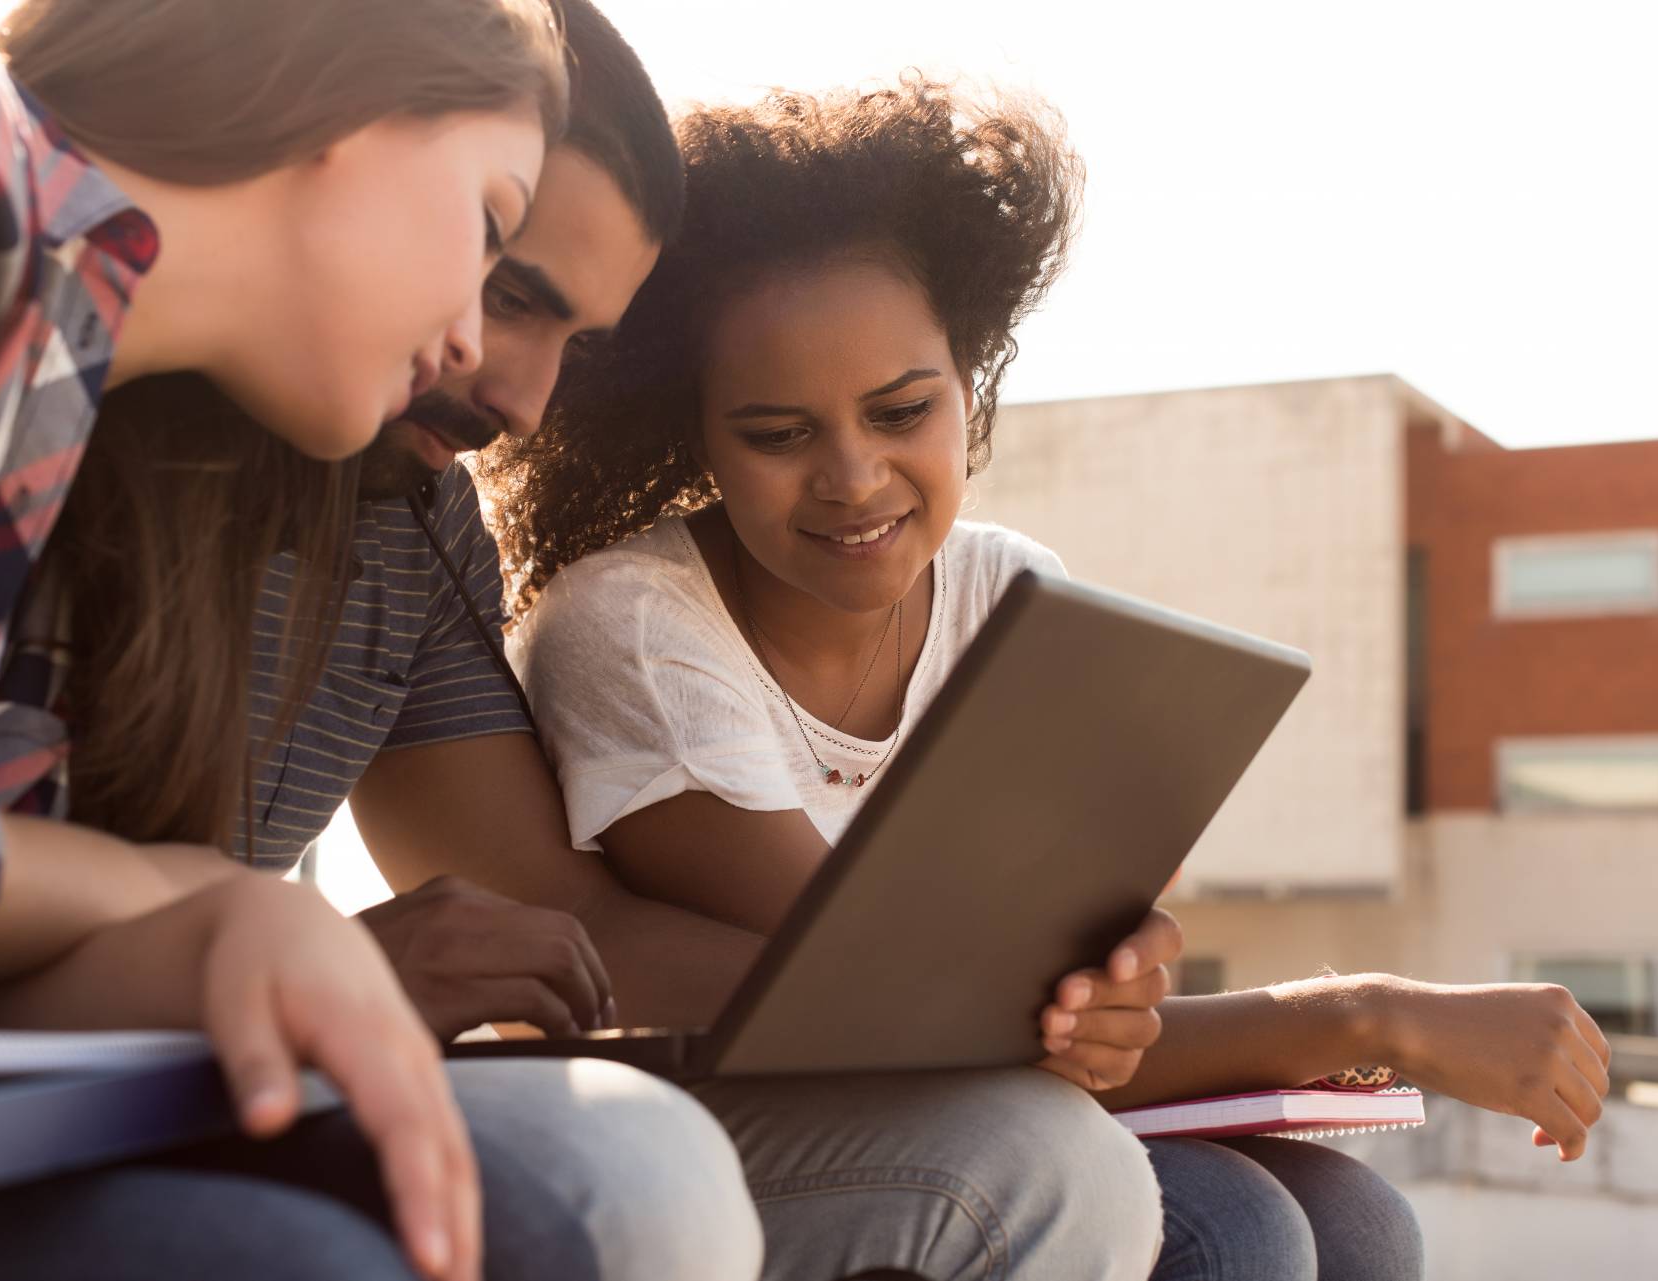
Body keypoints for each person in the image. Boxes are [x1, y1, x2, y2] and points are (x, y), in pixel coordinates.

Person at [494, 78, 1617, 1280]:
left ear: (967, 382)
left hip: (978, 1105)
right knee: (1235, 1232)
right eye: (778, 434)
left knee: (1355, 1223)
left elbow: (1051, 1006)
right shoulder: (634, 626)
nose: (855, 477)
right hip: (760, 1137)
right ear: (696, 433)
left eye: (903, 410)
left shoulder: (1010, 595)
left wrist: (1116, 989)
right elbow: (917, 1017)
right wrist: (1370, 1019)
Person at [0, 4, 759, 1280]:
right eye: (490, 233)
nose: (497, 367)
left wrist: (238, 943)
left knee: (607, 1179)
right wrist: (209, 903)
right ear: (344, 105)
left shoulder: (45, 396)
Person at [214, 11, 1166, 1279]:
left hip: (239, 1059)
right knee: (1003, 1170)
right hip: (153, 1065)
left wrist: (1026, 991)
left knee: (1260, 1204)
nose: (520, 403)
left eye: (577, 343)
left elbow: (555, 914)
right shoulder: (46, 418)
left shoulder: (422, 522)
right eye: (504, 288)